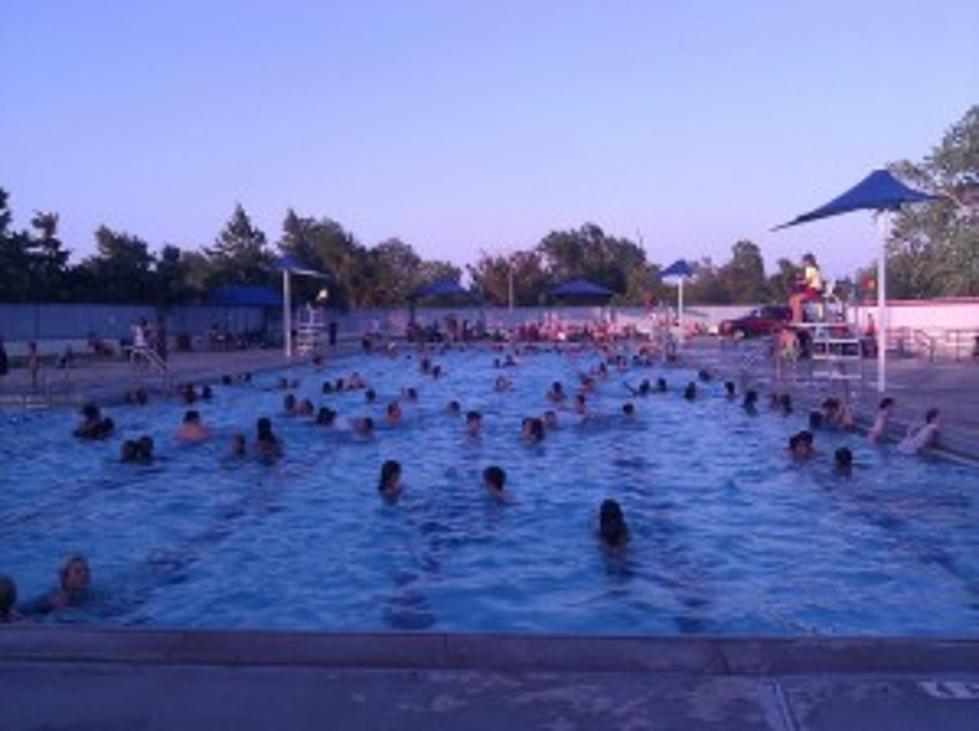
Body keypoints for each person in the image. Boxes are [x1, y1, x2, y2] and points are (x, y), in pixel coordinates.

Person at [24, 554, 91, 616]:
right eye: (78, 572)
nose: (84, 575)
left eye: (86, 570)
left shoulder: (92, 596)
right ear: (65, 577)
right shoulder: (51, 599)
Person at [789, 253, 824, 323]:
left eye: (803, 261)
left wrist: (799, 282)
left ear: (808, 262)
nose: (802, 263)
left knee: (797, 300)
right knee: (793, 300)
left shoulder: (810, 269)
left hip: (813, 291)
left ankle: (798, 319)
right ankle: (796, 317)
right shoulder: (812, 270)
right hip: (811, 291)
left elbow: (808, 281)